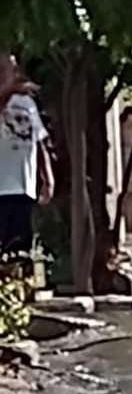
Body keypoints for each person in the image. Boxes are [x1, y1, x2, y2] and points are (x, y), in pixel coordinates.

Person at [0, 52, 54, 256]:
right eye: (6, 69)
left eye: (13, 70)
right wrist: (9, 91)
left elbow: (38, 140)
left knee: (20, 249)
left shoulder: (26, 103)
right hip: (1, 187)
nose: (12, 74)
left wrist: (47, 177)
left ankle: (18, 286)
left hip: (24, 185)